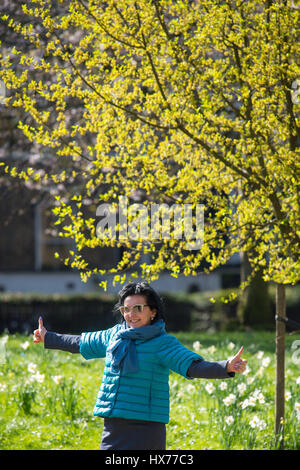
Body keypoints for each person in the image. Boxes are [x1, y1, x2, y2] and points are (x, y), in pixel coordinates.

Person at [33, 282, 247, 450]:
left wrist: (226, 366)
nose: (130, 315)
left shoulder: (162, 342)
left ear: (152, 311)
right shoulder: (114, 335)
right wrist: (48, 337)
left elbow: (192, 366)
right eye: (125, 309)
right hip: (114, 425)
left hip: (146, 429)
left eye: (137, 308)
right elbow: (81, 343)